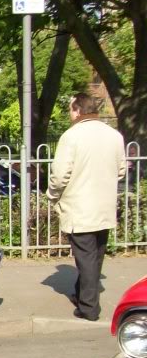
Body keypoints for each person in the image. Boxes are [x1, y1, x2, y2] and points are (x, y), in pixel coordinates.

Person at [47, 92, 126, 321]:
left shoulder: (71, 137)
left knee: (86, 257)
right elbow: (121, 170)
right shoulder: (114, 135)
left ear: (79, 110)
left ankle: (89, 308)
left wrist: (52, 195)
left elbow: (60, 175)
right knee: (95, 255)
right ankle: (82, 294)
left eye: (71, 109)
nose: (69, 114)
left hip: (79, 206)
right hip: (104, 205)